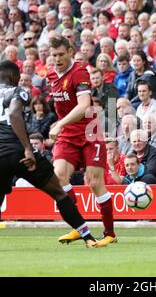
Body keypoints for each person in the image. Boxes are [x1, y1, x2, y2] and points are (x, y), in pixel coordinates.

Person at [0, 61, 102, 250]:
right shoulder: (17, 91)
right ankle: (88, 237)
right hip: (21, 153)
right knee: (59, 194)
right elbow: (13, 114)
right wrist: (27, 148)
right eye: (18, 76)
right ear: (13, 77)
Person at [47, 35, 116, 247]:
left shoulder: (79, 72)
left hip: (89, 133)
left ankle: (110, 233)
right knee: (58, 178)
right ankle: (79, 227)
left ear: (70, 51)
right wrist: (61, 125)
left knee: (95, 183)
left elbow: (85, 104)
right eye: (54, 55)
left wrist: (59, 124)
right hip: (68, 135)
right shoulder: (51, 75)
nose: (58, 59)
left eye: (61, 54)